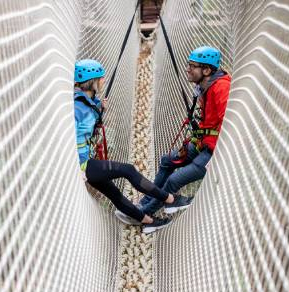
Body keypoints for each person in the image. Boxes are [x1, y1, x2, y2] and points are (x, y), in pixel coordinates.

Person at [74, 59, 190, 234]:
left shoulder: (88, 102)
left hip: (86, 162)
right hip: (82, 165)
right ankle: (170, 199)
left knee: (114, 194)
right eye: (101, 78)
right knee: (128, 170)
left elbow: (89, 125)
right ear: (93, 81)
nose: (103, 81)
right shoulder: (76, 107)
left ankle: (149, 222)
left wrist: (99, 108)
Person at [139, 46, 231, 214]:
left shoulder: (221, 88)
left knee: (174, 180)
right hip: (202, 143)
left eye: (192, 66)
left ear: (206, 70)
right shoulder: (206, 86)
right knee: (167, 160)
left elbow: (229, 123)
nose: (187, 69)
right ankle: (144, 202)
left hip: (215, 152)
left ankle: (144, 213)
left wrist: (214, 151)